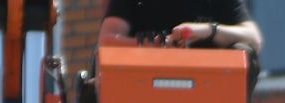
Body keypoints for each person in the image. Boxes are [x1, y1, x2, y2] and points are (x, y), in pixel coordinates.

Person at [98, 0, 264, 55]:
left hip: (208, 102)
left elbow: (253, 38)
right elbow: (107, 41)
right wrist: (155, 45)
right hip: (142, 99)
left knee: (244, 52)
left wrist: (208, 31)